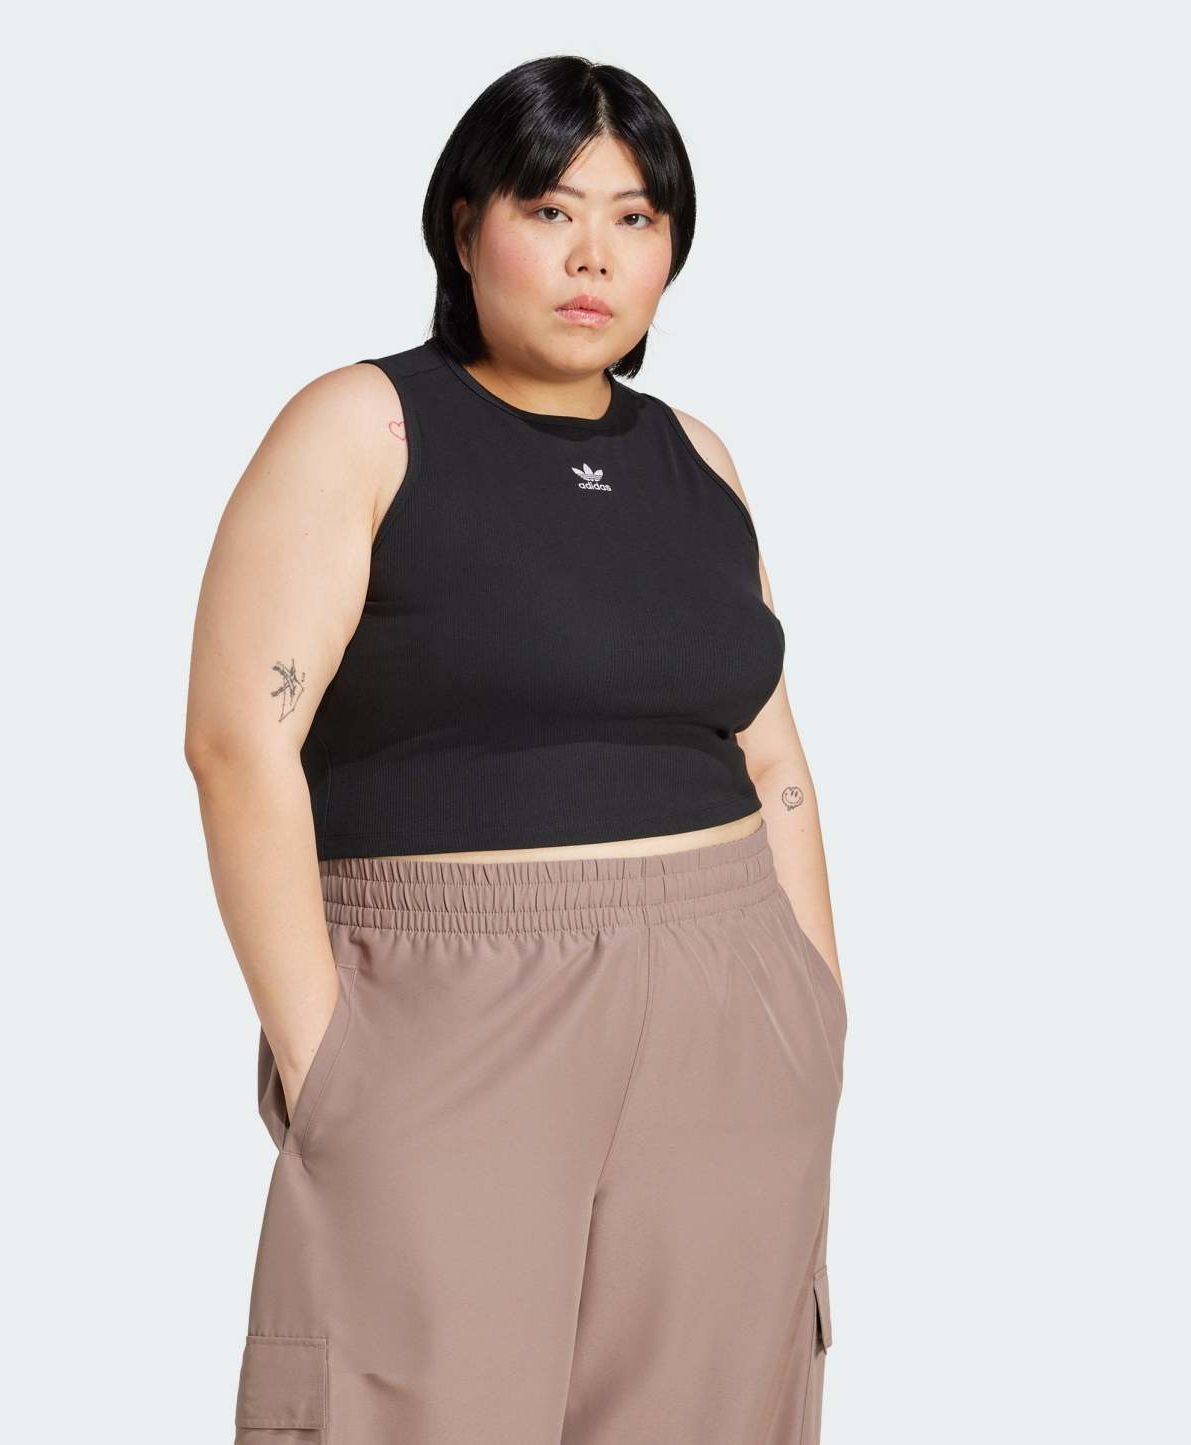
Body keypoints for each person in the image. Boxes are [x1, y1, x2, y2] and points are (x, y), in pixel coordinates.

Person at [185, 53, 848, 1445]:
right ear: (464, 224)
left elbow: (772, 757)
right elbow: (240, 738)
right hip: (447, 1005)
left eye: (635, 217)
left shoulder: (697, 458)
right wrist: (326, 1061)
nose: (593, 255)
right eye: (550, 210)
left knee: (712, 1405)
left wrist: (816, 1005)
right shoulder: (365, 424)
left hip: (730, 998)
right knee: (414, 1404)